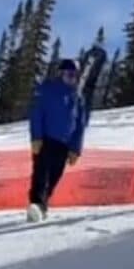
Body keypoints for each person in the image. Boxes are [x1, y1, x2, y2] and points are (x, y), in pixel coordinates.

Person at [27, 58, 88, 221]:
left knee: (55, 175)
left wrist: (75, 149)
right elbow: (37, 113)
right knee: (41, 173)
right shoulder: (48, 90)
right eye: (69, 75)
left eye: (75, 76)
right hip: (46, 140)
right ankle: (36, 203)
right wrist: (36, 137)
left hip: (64, 144)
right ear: (61, 74)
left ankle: (43, 205)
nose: (72, 79)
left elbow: (80, 125)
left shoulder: (78, 98)